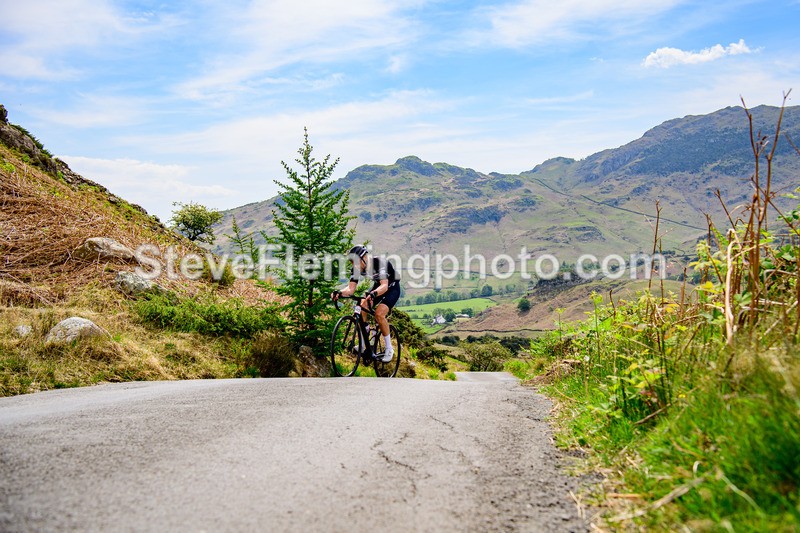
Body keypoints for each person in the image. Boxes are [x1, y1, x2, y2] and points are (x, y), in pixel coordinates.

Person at [331, 245, 400, 362]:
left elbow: (384, 285)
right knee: (363, 305)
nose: (354, 265)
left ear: (364, 258)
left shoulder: (380, 263)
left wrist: (373, 294)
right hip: (378, 286)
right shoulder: (357, 269)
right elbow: (350, 289)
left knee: (379, 314)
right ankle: (365, 338)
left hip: (391, 287)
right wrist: (339, 293)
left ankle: (389, 348)